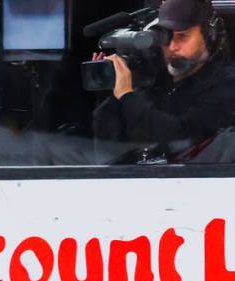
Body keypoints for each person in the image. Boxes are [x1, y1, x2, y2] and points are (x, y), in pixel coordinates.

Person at [92, 0, 235, 162]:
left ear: (210, 35)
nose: (172, 47)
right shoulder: (157, 79)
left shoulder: (227, 84)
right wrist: (109, 91)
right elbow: (109, 148)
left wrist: (125, 96)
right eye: (166, 37)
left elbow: (180, 137)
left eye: (183, 36)